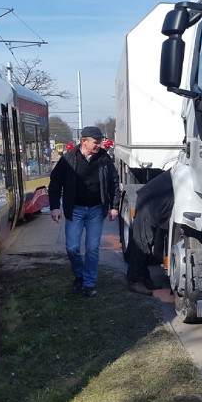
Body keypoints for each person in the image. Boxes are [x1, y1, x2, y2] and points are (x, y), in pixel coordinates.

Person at [49, 126, 121, 297]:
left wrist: (114, 206)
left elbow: (114, 182)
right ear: (84, 141)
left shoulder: (104, 158)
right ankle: (79, 275)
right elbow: (55, 183)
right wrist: (54, 207)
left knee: (92, 248)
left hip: (96, 210)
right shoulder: (68, 159)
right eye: (96, 142)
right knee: (72, 247)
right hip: (75, 210)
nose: (99, 145)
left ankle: (89, 283)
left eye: (100, 142)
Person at [126, 171, 174, 295]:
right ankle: (135, 281)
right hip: (149, 202)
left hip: (155, 201)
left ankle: (144, 278)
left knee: (147, 242)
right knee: (142, 243)